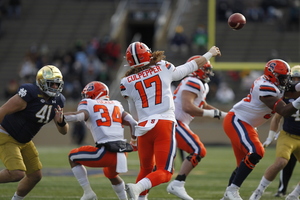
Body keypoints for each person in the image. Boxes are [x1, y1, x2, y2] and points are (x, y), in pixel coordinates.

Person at [120, 41, 221, 200]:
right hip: (163, 124)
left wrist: (134, 136)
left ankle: (140, 196)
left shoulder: (126, 82)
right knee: (165, 172)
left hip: (143, 127)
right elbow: (190, 67)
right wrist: (210, 53)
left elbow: (134, 112)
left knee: (146, 169)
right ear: (148, 53)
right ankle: (138, 188)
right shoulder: (162, 67)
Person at [220, 59, 300, 200]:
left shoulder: (273, 82)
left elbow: (293, 88)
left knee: (242, 165)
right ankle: (232, 190)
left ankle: (227, 196)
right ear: (273, 76)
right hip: (237, 120)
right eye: (283, 77)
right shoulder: (265, 87)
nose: (286, 81)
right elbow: (284, 110)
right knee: (256, 152)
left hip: (247, 124)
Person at [0, 65, 69, 200]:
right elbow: (3, 110)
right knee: (17, 173)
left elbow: (64, 131)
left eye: (57, 84)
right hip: (6, 134)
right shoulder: (29, 93)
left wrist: (61, 122)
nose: (55, 87)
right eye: (51, 84)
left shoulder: (58, 101)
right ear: (41, 82)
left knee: (35, 176)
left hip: (24, 140)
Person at [166, 55, 227, 200]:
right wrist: (213, 114)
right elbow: (188, 107)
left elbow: (202, 105)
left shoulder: (200, 84)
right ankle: (178, 184)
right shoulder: (193, 81)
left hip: (177, 122)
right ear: (197, 69)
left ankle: (143, 189)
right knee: (198, 150)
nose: (208, 73)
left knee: (162, 167)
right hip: (174, 122)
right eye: (205, 69)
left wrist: (224, 115)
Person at [64, 81, 138, 200]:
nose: (86, 97)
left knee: (72, 156)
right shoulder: (116, 104)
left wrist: (60, 117)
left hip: (105, 153)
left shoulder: (88, 103)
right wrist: (133, 142)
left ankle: (88, 192)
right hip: (122, 152)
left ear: (94, 94)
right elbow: (133, 123)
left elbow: (79, 116)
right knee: (111, 174)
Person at [250, 65, 300, 200]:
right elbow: (277, 117)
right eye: (293, 78)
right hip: (288, 135)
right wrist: (271, 136)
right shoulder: (285, 94)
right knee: (281, 163)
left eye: (298, 79)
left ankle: (294, 195)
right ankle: (258, 192)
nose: (295, 81)